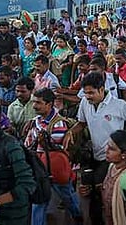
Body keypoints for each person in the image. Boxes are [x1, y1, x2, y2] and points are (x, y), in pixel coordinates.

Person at [65, 72, 126, 225]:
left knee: (105, 194)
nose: (87, 96)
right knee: (90, 194)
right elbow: (81, 124)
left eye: (91, 92)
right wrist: (70, 132)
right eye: (85, 92)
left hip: (112, 160)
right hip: (93, 156)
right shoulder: (84, 103)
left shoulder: (119, 105)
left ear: (102, 89)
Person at [24, 88, 81, 225]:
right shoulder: (36, 121)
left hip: (54, 170)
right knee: (40, 202)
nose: (34, 106)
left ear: (49, 104)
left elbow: (59, 150)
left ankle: (78, 216)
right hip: (41, 170)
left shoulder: (58, 124)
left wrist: (42, 143)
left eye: (38, 103)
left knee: (67, 197)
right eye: (34, 102)